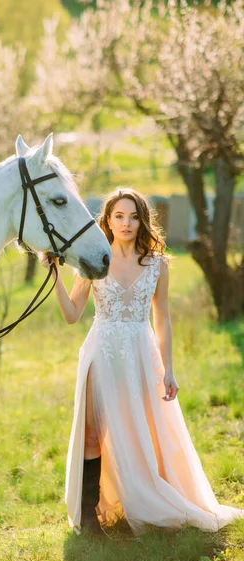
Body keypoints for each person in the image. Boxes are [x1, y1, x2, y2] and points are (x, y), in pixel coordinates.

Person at [41, 187, 244, 536]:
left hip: (140, 352)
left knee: (143, 429)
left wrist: (169, 369)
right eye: (119, 216)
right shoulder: (93, 259)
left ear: (142, 220)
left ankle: (145, 496)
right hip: (100, 352)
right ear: (107, 220)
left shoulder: (157, 264)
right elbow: (72, 314)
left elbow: (162, 318)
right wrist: (55, 275)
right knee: (93, 430)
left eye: (133, 216)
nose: (126, 223)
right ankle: (91, 517)